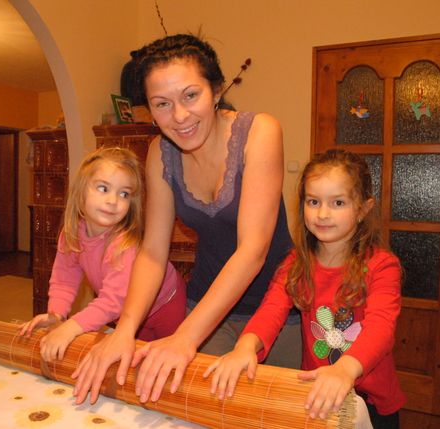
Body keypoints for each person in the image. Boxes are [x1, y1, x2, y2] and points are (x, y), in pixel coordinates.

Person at [72, 33, 298, 405]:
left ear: (217, 90)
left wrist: (184, 338)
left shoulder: (260, 132)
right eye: (162, 104)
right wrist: (125, 329)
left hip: (277, 309)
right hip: (207, 308)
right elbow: (152, 252)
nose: (179, 116)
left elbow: (253, 250)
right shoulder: (159, 153)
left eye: (191, 95)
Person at [204, 149, 405, 428]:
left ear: (363, 209)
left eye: (338, 202)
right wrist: (245, 347)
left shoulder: (382, 266)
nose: (322, 213)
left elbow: (380, 328)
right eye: (313, 201)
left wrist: (345, 370)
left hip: (372, 402)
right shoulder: (295, 264)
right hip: (317, 393)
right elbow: (271, 310)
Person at [18, 146, 186, 363]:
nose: (113, 200)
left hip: (165, 305)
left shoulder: (124, 246)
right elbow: (64, 280)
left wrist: (71, 327)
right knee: (132, 361)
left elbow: (112, 301)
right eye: (103, 188)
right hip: (125, 312)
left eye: (124, 194)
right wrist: (56, 314)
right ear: (81, 191)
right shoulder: (71, 234)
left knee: (164, 360)